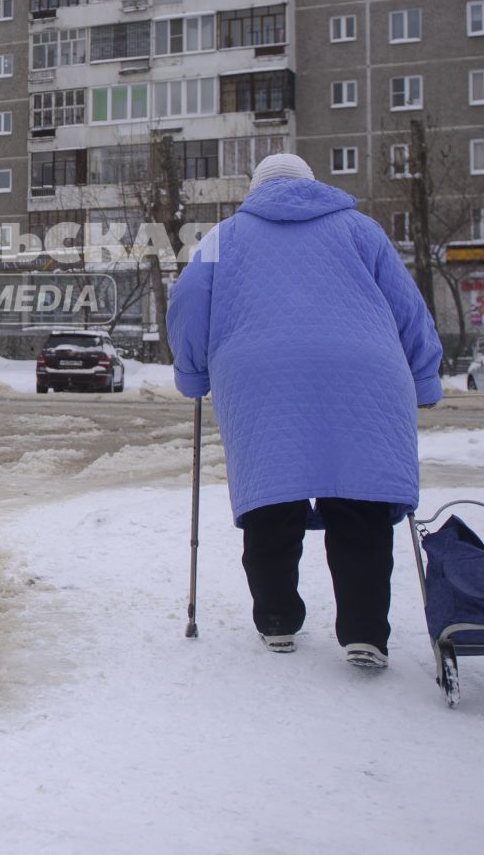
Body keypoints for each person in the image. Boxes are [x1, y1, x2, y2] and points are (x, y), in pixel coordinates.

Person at [167, 153, 443, 670]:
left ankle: (277, 621)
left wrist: (193, 372)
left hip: (259, 375)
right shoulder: (362, 230)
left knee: (272, 497)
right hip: (364, 372)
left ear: (256, 188)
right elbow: (408, 307)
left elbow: (186, 301)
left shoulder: (223, 238)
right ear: (313, 185)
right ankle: (364, 633)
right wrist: (424, 376)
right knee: (360, 501)